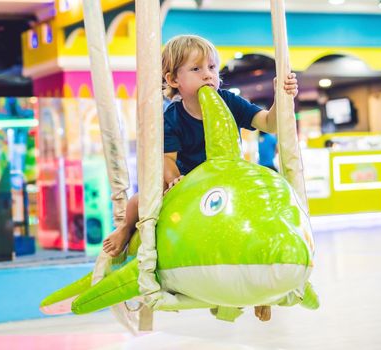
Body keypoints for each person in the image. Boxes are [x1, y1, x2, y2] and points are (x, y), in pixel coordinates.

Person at [102, 35, 298, 321]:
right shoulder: (173, 116)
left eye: (212, 68)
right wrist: (176, 179)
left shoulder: (229, 101)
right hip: (189, 181)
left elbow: (269, 123)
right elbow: (167, 159)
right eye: (196, 69)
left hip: (228, 181)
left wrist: (282, 97)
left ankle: (262, 285)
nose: (208, 74)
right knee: (138, 201)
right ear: (173, 79)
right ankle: (123, 229)